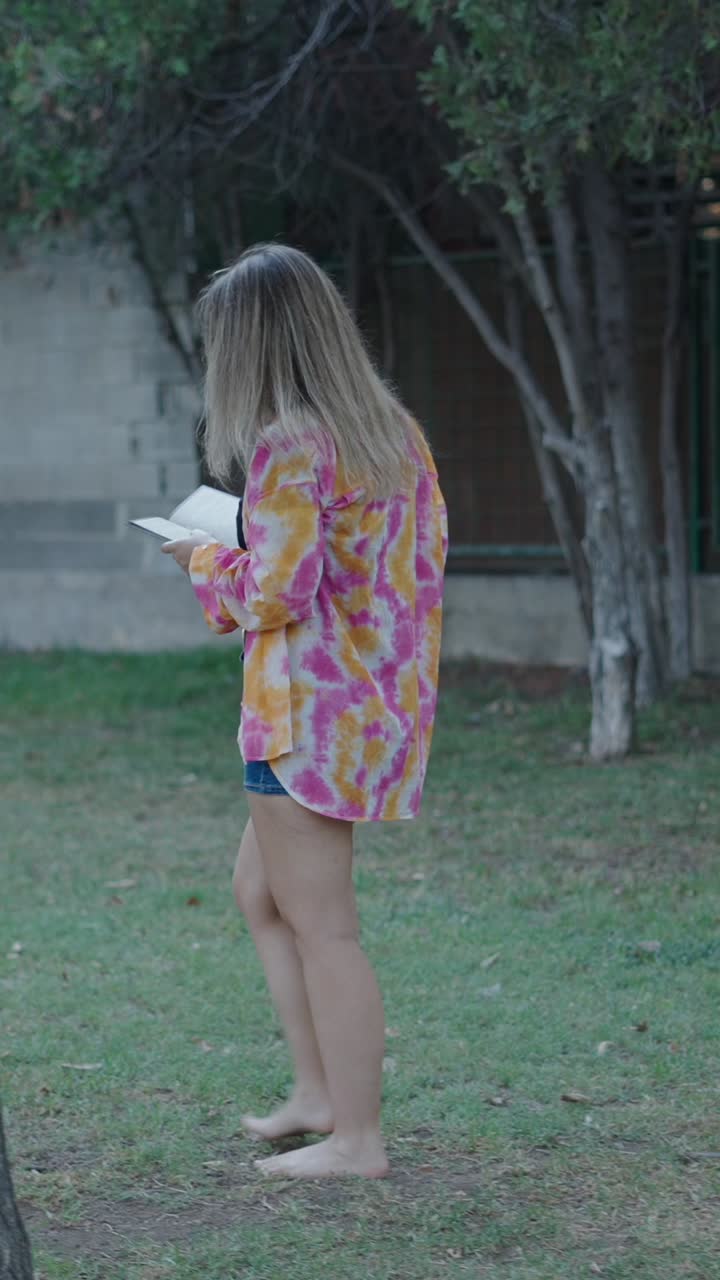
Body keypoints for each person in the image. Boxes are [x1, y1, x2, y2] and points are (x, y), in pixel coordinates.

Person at [162, 244, 448, 1179]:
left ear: (255, 345)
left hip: (304, 716)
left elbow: (275, 595)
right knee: (262, 893)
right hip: (368, 711)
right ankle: (317, 1094)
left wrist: (201, 561)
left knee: (326, 927)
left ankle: (357, 1140)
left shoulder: (291, 441)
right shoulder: (393, 430)